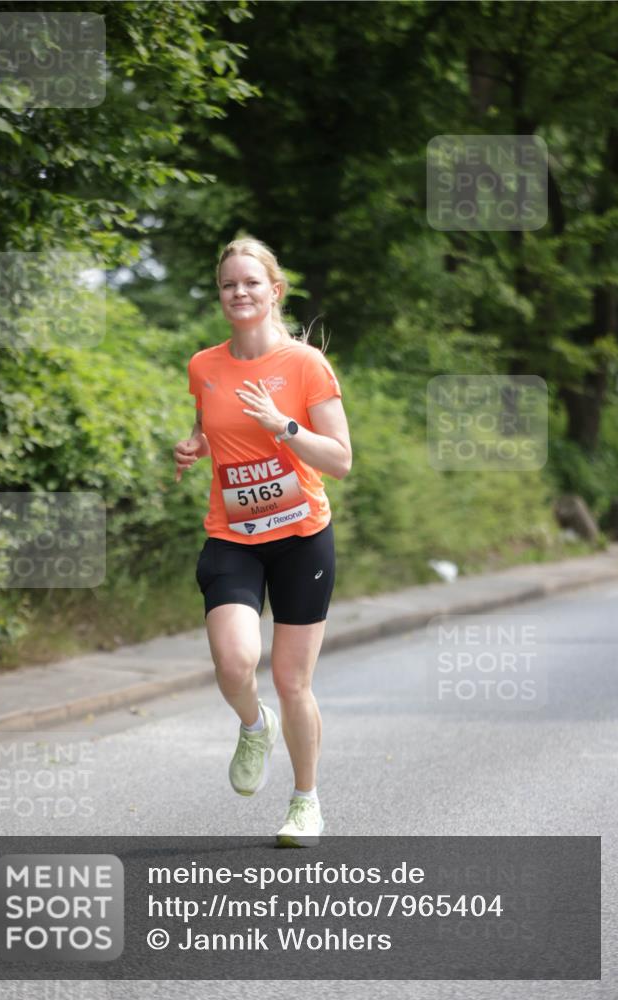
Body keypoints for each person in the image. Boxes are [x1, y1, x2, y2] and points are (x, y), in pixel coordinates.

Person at [174, 236, 352, 847]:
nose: (240, 293)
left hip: (302, 537)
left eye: (251, 282)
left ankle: (305, 802)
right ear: (221, 296)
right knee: (233, 661)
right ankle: (254, 727)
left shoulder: (305, 366)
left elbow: (341, 459)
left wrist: (286, 427)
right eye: (229, 285)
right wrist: (194, 445)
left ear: (274, 290)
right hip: (234, 535)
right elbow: (209, 423)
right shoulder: (204, 365)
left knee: (292, 679)